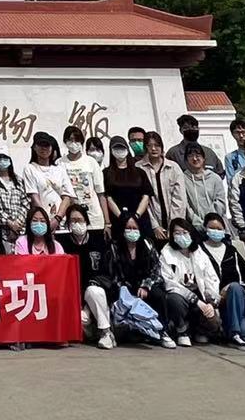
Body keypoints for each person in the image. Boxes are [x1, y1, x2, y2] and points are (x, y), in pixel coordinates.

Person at [111, 211, 174, 348]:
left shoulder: (147, 244)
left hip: (144, 285)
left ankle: (163, 331)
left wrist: (146, 285)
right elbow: (113, 274)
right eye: (128, 228)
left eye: (135, 228)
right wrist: (125, 290)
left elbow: (156, 270)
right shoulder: (114, 247)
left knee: (158, 295)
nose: (132, 231)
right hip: (123, 287)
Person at [60, 203, 116, 348]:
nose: (77, 224)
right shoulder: (63, 244)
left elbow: (107, 274)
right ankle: (94, 331)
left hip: (97, 293)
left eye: (80, 220)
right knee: (82, 320)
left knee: (94, 291)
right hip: (74, 297)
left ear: (86, 221)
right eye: (73, 221)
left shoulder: (99, 242)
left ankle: (106, 333)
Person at [157, 219, 220, 346]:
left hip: (201, 298)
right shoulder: (166, 254)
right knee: (173, 299)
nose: (182, 236)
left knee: (214, 322)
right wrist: (194, 300)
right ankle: (182, 331)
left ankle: (199, 331)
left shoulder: (199, 253)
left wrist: (211, 302)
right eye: (177, 233)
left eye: (185, 232)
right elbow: (169, 283)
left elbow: (211, 278)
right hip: (182, 298)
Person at [200, 212, 245, 350]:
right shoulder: (199, 250)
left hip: (234, 304)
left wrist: (231, 289)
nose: (216, 231)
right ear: (205, 228)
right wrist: (215, 296)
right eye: (212, 228)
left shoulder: (231, 251)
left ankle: (234, 332)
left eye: (219, 228)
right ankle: (226, 332)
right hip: (211, 302)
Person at [139, 129, 186, 241]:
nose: (153, 148)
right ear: (145, 147)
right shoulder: (138, 168)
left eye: (157, 145)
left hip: (175, 225)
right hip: (151, 225)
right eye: (149, 145)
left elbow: (180, 198)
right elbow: (142, 200)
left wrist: (174, 225)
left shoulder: (173, 167)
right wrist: (154, 226)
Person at [21, 131, 72, 222]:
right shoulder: (30, 168)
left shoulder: (60, 169)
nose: (44, 148)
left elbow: (67, 197)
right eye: (40, 145)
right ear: (34, 147)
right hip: (41, 220)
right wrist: (45, 219)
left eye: (47, 145)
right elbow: (34, 196)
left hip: (61, 219)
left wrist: (58, 218)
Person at [102, 135, 149, 225]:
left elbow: (146, 196)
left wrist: (136, 216)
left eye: (122, 148)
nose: (119, 151)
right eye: (116, 148)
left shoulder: (140, 172)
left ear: (127, 149)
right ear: (111, 151)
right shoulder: (106, 173)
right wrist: (123, 218)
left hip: (140, 218)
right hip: (118, 219)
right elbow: (108, 197)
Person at [181, 143, 229, 229]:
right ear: (186, 160)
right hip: (195, 227)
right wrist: (197, 222)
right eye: (190, 156)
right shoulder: (182, 179)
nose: (195, 159)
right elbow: (185, 205)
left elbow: (220, 202)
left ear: (204, 158)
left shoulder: (215, 178)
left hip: (217, 225)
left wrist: (210, 222)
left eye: (198, 155)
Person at [0, 145, 27, 242]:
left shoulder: (19, 181)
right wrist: (9, 223)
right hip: (2, 233)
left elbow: (25, 204)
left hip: (21, 231)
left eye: (5, 157)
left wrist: (18, 223)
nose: (2, 160)